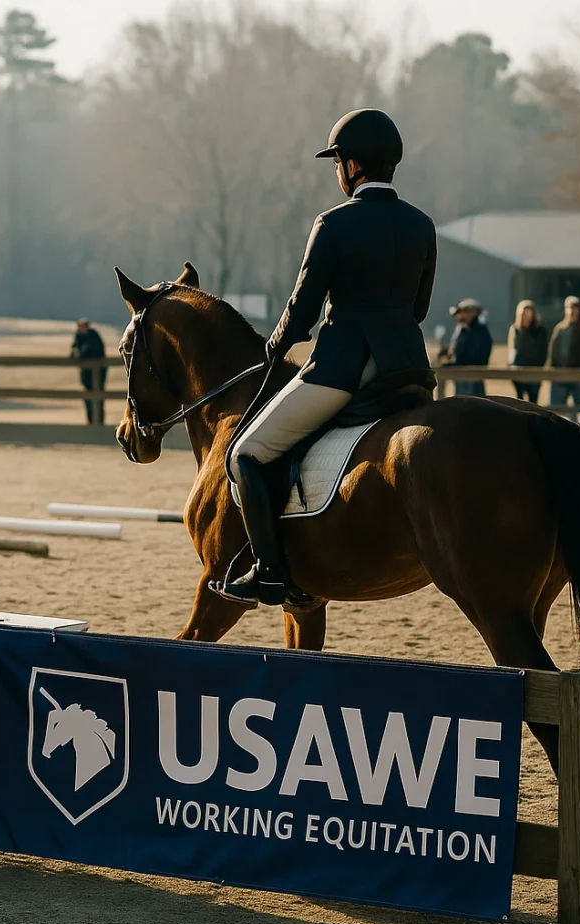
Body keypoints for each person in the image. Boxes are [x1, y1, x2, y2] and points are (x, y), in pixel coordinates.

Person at [216, 109, 436, 608]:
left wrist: (275, 344)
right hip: (408, 372)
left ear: (352, 166)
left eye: (337, 162)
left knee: (245, 454)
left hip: (344, 372)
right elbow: (418, 308)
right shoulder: (421, 225)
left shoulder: (334, 223)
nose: (337, 171)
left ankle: (270, 572)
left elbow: (303, 310)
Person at [546, 296, 580, 407]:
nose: (572, 311)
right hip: (559, 376)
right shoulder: (560, 329)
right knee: (555, 410)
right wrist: (553, 370)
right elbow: (553, 351)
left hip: (579, 377)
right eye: (569, 308)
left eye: (575, 308)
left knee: (579, 411)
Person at [440, 299, 493, 396]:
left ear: (472, 313)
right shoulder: (461, 328)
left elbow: (473, 353)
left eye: (461, 313)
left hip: (471, 373)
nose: (458, 316)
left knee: (471, 403)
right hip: (461, 373)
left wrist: (457, 363)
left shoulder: (479, 331)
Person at [506, 300, 549, 402]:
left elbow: (543, 351)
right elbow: (512, 349)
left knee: (533, 402)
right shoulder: (515, 329)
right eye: (524, 314)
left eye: (529, 313)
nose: (526, 316)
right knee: (519, 401)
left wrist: (539, 367)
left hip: (534, 371)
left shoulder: (540, 331)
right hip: (518, 371)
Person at [71, 318, 108, 425]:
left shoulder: (93, 336)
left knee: (98, 397)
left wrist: (80, 353)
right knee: (88, 397)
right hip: (85, 374)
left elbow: (93, 350)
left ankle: (99, 421)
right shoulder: (78, 336)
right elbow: (73, 350)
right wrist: (75, 352)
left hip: (98, 373)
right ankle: (91, 420)